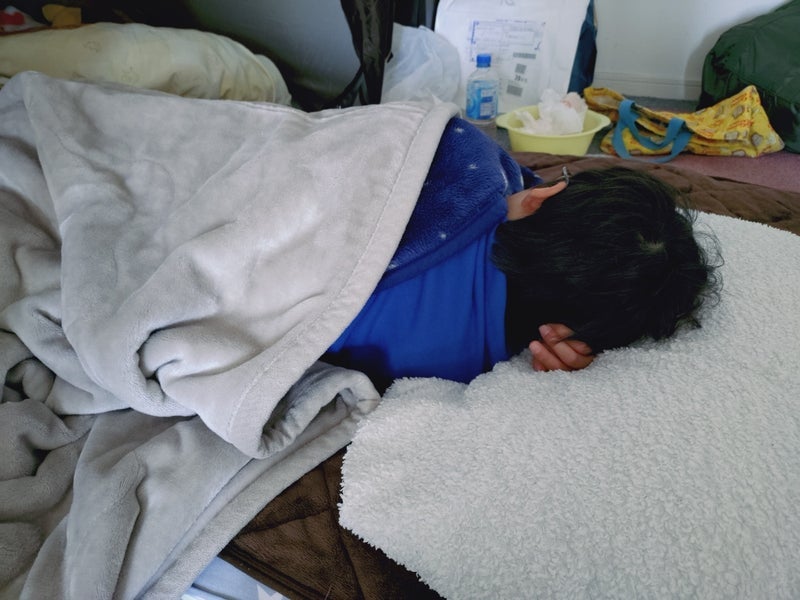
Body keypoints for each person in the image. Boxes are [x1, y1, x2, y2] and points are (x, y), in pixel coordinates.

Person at [324, 117, 719, 390]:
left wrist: (499, 195)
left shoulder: (477, 168)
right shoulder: (451, 368)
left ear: (541, 197)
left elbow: (422, 130)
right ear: (564, 336)